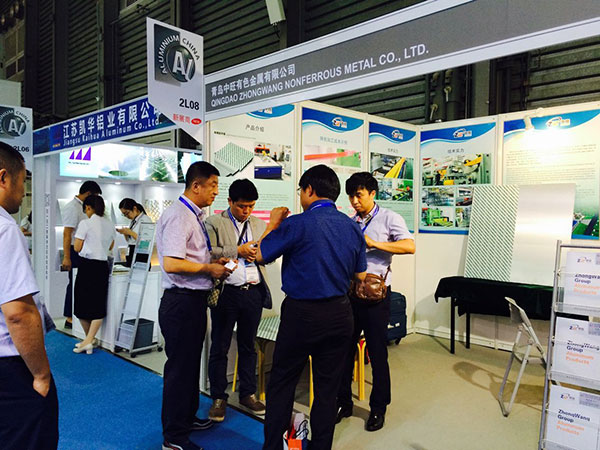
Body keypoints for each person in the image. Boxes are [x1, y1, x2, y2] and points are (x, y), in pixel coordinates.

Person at [256, 164, 367, 450]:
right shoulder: (352, 227)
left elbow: (260, 254)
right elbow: (360, 274)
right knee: (327, 389)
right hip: (341, 313)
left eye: (300, 191)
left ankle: (273, 446)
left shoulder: (298, 223)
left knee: (282, 383)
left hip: (301, 315)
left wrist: (272, 224)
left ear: (309, 190)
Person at [156, 161, 235, 450]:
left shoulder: (193, 215)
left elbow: (188, 256)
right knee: (179, 370)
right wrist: (208, 269)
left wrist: (211, 262)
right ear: (196, 185)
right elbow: (172, 263)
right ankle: (174, 438)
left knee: (189, 367)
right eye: (212, 185)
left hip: (191, 302)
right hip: (181, 302)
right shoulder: (180, 216)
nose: (216, 191)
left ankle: (186, 419)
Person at [336, 172, 415, 432]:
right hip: (350, 293)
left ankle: (378, 408)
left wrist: (374, 243)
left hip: (376, 297)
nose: (354, 201)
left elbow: (409, 246)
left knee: (378, 353)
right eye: (351, 196)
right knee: (344, 350)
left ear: (372, 193)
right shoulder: (351, 222)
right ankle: (343, 403)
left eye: (358, 195)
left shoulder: (389, 218)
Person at [0, 142, 58, 449]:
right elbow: (18, 313)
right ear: (3, 178)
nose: (23, 192)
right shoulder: (5, 229)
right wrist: (41, 375)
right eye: (22, 181)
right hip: (10, 368)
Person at [205, 179, 272, 421]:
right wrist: (238, 251)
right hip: (227, 293)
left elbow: (268, 255)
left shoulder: (259, 224)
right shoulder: (214, 222)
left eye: (251, 206)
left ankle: (247, 394)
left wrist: (260, 255)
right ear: (230, 201)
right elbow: (208, 253)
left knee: (248, 345)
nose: (247, 211)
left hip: (253, 292)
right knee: (220, 346)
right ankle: (218, 397)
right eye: (242, 206)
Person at [72, 195, 116, 354]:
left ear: (88, 207)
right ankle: (89, 340)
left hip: (87, 266)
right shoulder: (110, 224)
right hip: (102, 267)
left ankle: (89, 340)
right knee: (98, 304)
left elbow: (77, 247)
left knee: (80, 304)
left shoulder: (85, 223)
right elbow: (111, 245)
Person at [61, 180, 102, 329]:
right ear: (88, 193)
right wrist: (67, 257)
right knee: (74, 283)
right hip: (75, 251)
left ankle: (78, 317)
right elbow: (67, 234)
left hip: (85, 251)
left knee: (81, 284)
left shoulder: (83, 207)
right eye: (95, 196)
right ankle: (69, 318)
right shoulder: (72, 208)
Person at [118, 198, 151, 266]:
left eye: (127, 213)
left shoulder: (145, 220)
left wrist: (130, 232)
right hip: (131, 251)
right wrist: (125, 233)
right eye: (124, 215)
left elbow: (145, 242)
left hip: (141, 254)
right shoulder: (133, 221)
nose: (126, 216)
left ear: (135, 208)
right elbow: (130, 240)